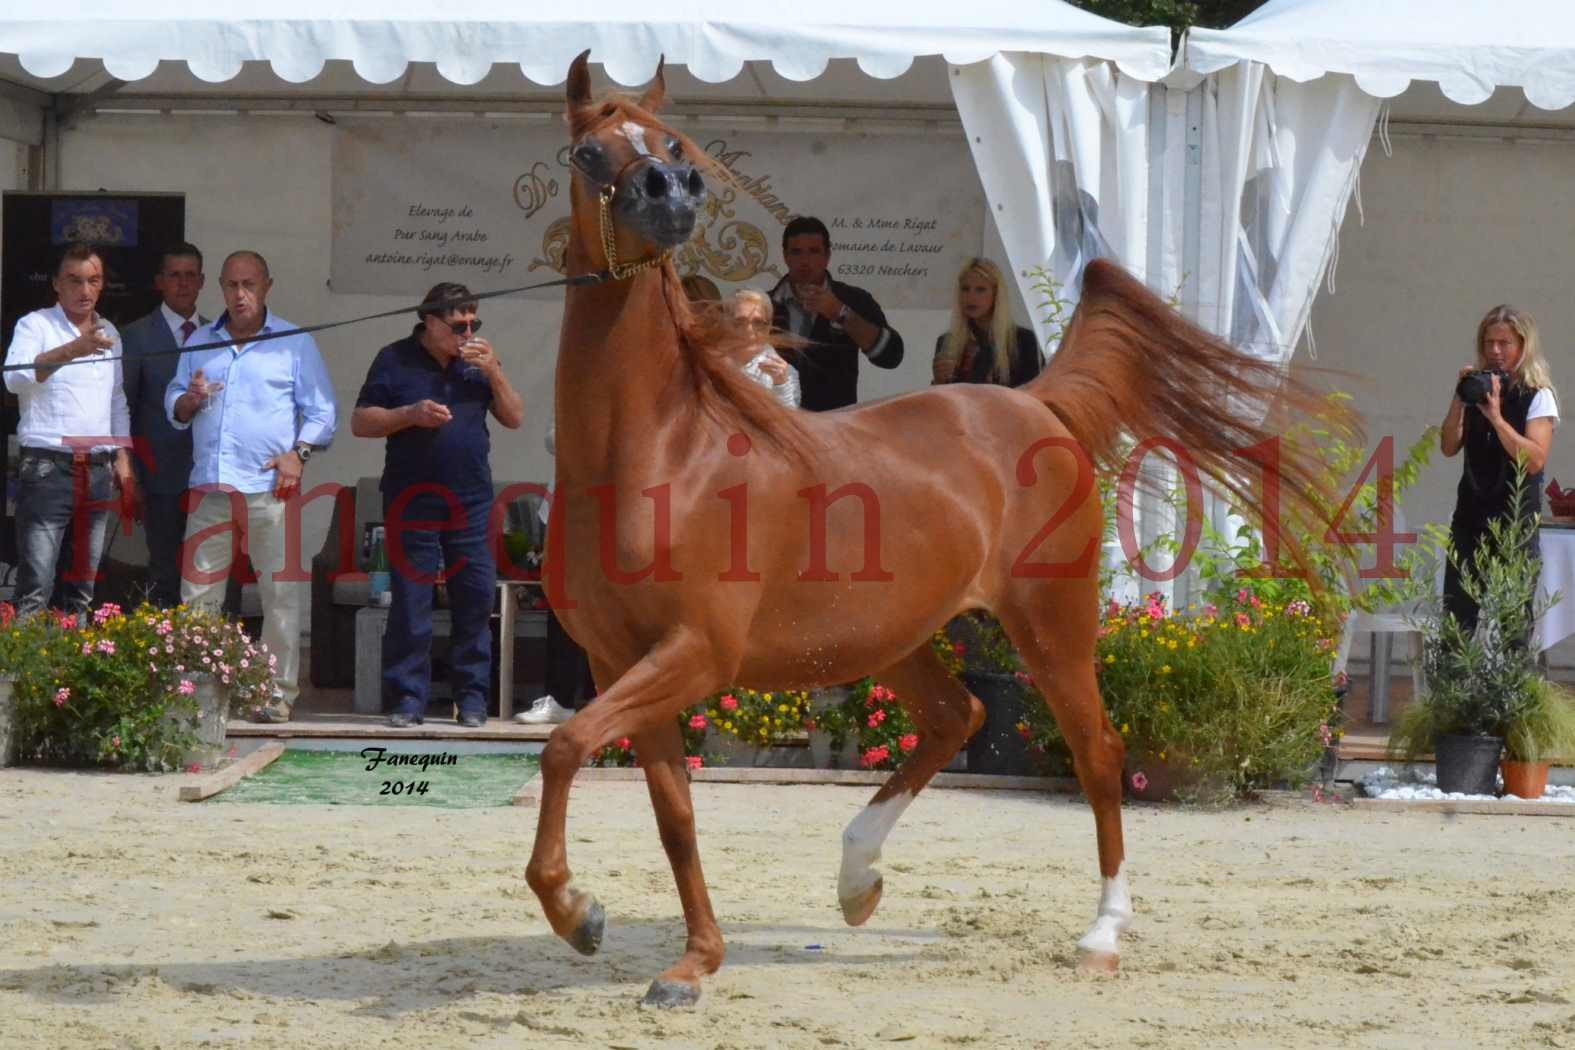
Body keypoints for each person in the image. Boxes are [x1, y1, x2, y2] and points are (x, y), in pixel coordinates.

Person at [166, 250, 337, 723]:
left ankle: (276, 694)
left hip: (270, 488)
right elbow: (174, 402)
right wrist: (189, 401)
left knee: (279, 594)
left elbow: (322, 411)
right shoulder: (200, 341)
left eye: (249, 285)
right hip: (210, 486)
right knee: (198, 594)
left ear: (267, 286)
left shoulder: (293, 342)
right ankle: (195, 697)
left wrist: (297, 455)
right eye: (231, 285)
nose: (239, 294)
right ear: (219, 287)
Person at [352, 282, 525, 728]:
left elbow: (515, 417)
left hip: (469, 498)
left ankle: (471, 699)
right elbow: (361, 421)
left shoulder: (479, 361)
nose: (467, 333)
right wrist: (409, 415)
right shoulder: (394, 358)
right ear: (429, 322)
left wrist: (496, 373)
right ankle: (407, 698)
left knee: (475, 597)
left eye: (474, 324)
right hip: (412, 497)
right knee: (412, 600)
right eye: (457, 326)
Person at [3, 242, 138, 618]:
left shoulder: (109, 331)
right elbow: (14, 380)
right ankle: (24, 677)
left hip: (96, 470)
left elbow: (116, 401)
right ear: (56, 285)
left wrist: (122, 460)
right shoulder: (35, 324)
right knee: (36, 588)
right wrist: (74, 349)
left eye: (93, 280)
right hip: (48, 468)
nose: (85, 290)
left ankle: (71, 674)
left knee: (82, 588)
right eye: (75, 280)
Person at [1439, 304, 1559, 639]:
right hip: (1470, 518)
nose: (1495, 351)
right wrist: (1460, 399)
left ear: (1523, 346)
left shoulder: (1538, 395)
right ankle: (1453, 689)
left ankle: (1513, 690)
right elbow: (1448, 447)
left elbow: (1533, 459)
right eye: (1489, 342)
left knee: (1513, 623)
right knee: (1457, 619)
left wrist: (1496, 417)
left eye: (1504, 343)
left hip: (1514, 522)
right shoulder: (1477, 389)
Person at [121, 243, 207, 607]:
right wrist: (132, 475)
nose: (183, 284)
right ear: (160, 282)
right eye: (174, 275)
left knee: (208, 569)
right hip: (159, 476)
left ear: (202, 281)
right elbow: (122, 408)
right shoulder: (136, 335)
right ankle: (163, 652)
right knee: (164, 570)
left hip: (211, 473)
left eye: (190, 276)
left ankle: (209, 651)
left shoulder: (217, 332)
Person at [767, 216, 903, 411]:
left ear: (827, 255)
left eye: (814, 252)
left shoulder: (853, 299)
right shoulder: (764, 306)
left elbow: (891, 356)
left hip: (835, 427)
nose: (805, 261)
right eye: (796, 252)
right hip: (778, 423)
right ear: (785, 256)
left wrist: (841, 313)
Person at [514, 420, 597, 725]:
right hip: (569, 507)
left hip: (625, 505)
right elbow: (552, 438)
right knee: (563, 606)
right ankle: (560, 699)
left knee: (612, 608)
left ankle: (599, 696)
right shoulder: (581, 379)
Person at [931, 257, 1042, 387]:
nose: (971, 297)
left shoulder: (1024, 341)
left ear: (996, 294)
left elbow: (1033, 395)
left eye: (980, 289)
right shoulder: (948, 342)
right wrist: (938, 381)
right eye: (965, 289)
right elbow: (943, 401)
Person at [729, 289, 800, 408]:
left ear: (769, 327)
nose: (749, 330)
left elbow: (788, 422)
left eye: (758, 323)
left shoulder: (786, 374)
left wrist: (780, 385)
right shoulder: (710, 364)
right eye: (740, 322)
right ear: (727, 324)